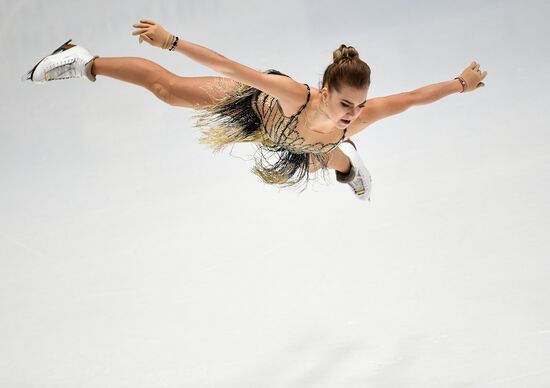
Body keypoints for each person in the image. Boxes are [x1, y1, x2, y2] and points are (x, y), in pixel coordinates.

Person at [23, 19, 488, 202]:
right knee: (167, 91)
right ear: (326, 90)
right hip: (256, 112)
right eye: (345, 103)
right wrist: (173, 42)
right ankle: (83, 59)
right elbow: (230, 66)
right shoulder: (292, 94)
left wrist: (459, 84)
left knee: (325, 154)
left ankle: (351, 166)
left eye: (360, 105)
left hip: (296, 141)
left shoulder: (358, 117)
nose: (353, 113)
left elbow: (412, 99)